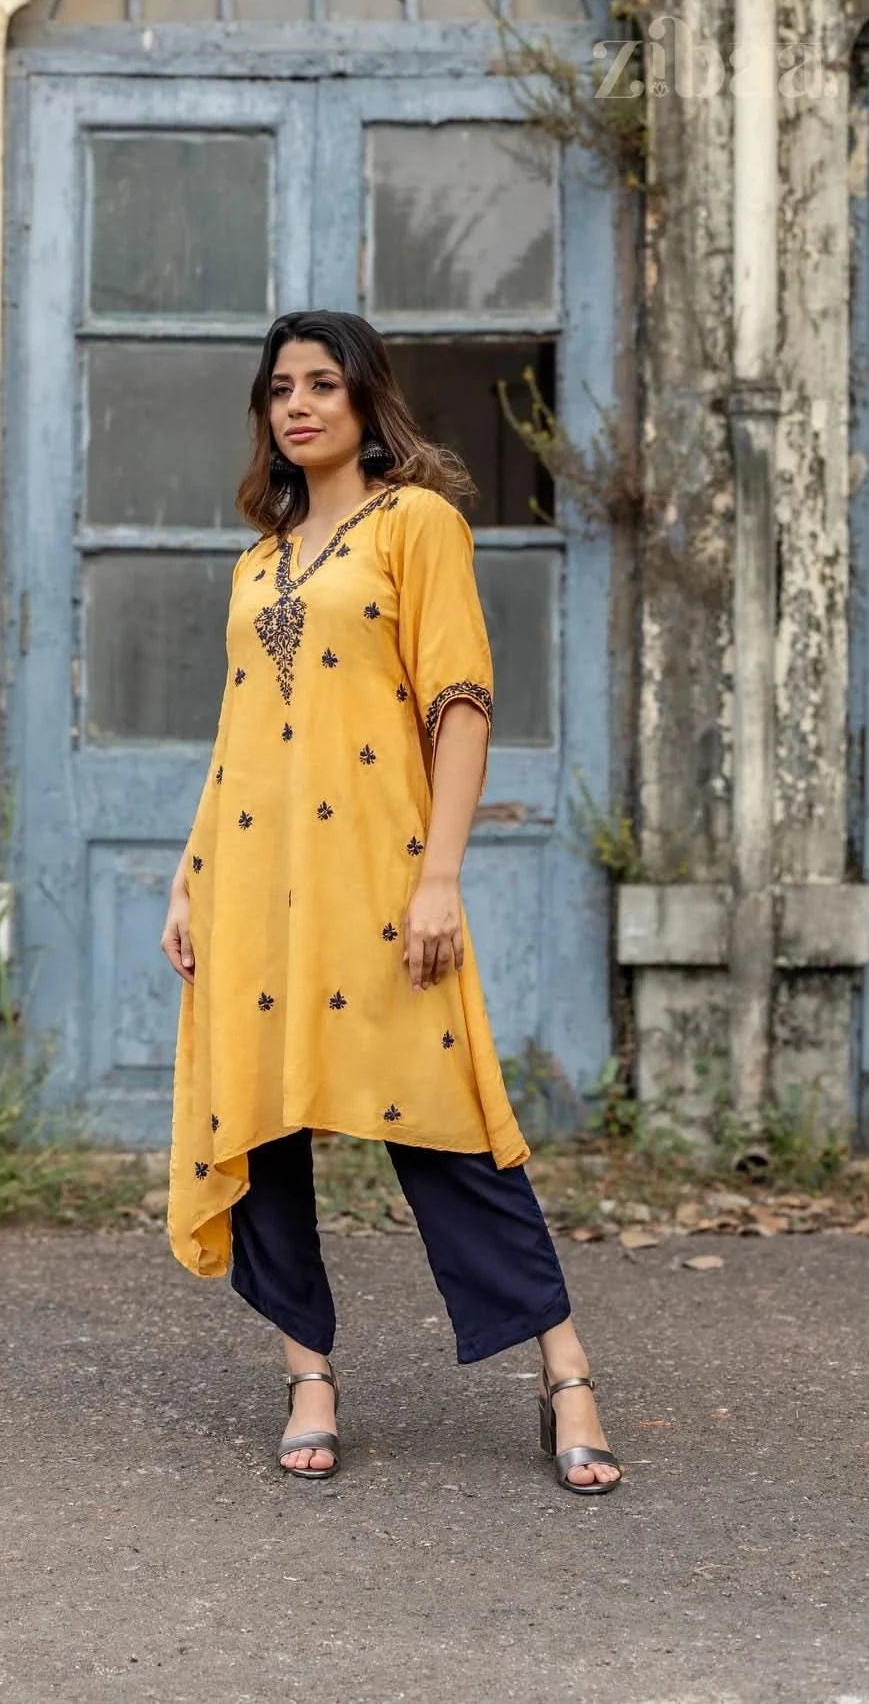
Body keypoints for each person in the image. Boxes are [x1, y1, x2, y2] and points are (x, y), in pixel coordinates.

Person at [160, 310, 621, 1495]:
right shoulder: (256, 559)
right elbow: (237, 735)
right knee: (260, 1125)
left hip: (378, 874)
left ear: (367, 400)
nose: (297, 406)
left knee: (449, 1120)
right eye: (278, 390)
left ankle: (563, 1370)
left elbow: (459, 703)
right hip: (253, 880)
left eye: (322, 384)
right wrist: (188, 872)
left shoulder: (417, 525)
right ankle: (307, 1374)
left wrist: (439, 878)